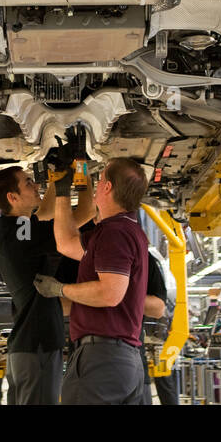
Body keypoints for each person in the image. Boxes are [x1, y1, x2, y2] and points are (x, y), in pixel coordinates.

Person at [35, 156, 149, 405]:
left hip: (103, 360)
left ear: (107, 187)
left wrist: (61, 289)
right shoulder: (120, 231)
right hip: (117, 359)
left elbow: (110, 293)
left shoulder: (115, 233)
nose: (96, 185)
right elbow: (66, 243)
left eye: (99, 180)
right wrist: (62, 192)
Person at [0, 159, 92, 404]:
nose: (36, 186)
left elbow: (43, 215)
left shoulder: (15, 226)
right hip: (37, 347)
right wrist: (82, 172)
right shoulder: (20, 236)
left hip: (29, 346)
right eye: (29, 183)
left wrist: (58, 178)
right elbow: (86, 213)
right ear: (13, 197)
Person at [142, 254, 180, 405]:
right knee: (161, 378)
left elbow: (162, 306)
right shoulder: (154, 264)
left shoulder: (151, 262)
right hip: (154, 338)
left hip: (157, 341)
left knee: (163, 376)